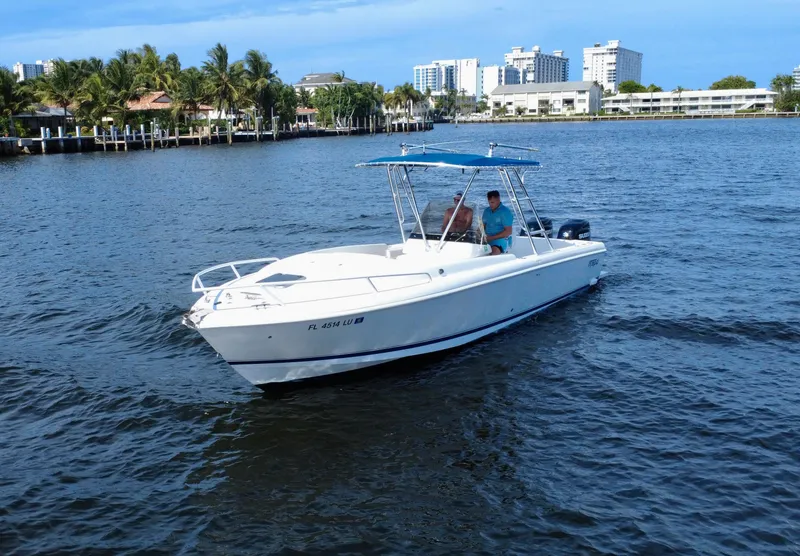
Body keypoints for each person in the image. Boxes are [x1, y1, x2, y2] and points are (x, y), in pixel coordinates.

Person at [482, 190, 514, 255]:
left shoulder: (505, 212)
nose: (490, 205)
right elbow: (483, 226)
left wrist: (491, 238)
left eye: (492, 202)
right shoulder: (486, 211)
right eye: (489, 202)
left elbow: (508, 231)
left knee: (492, 253)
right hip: (487, 240)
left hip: (501, 240)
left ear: (498, 199)